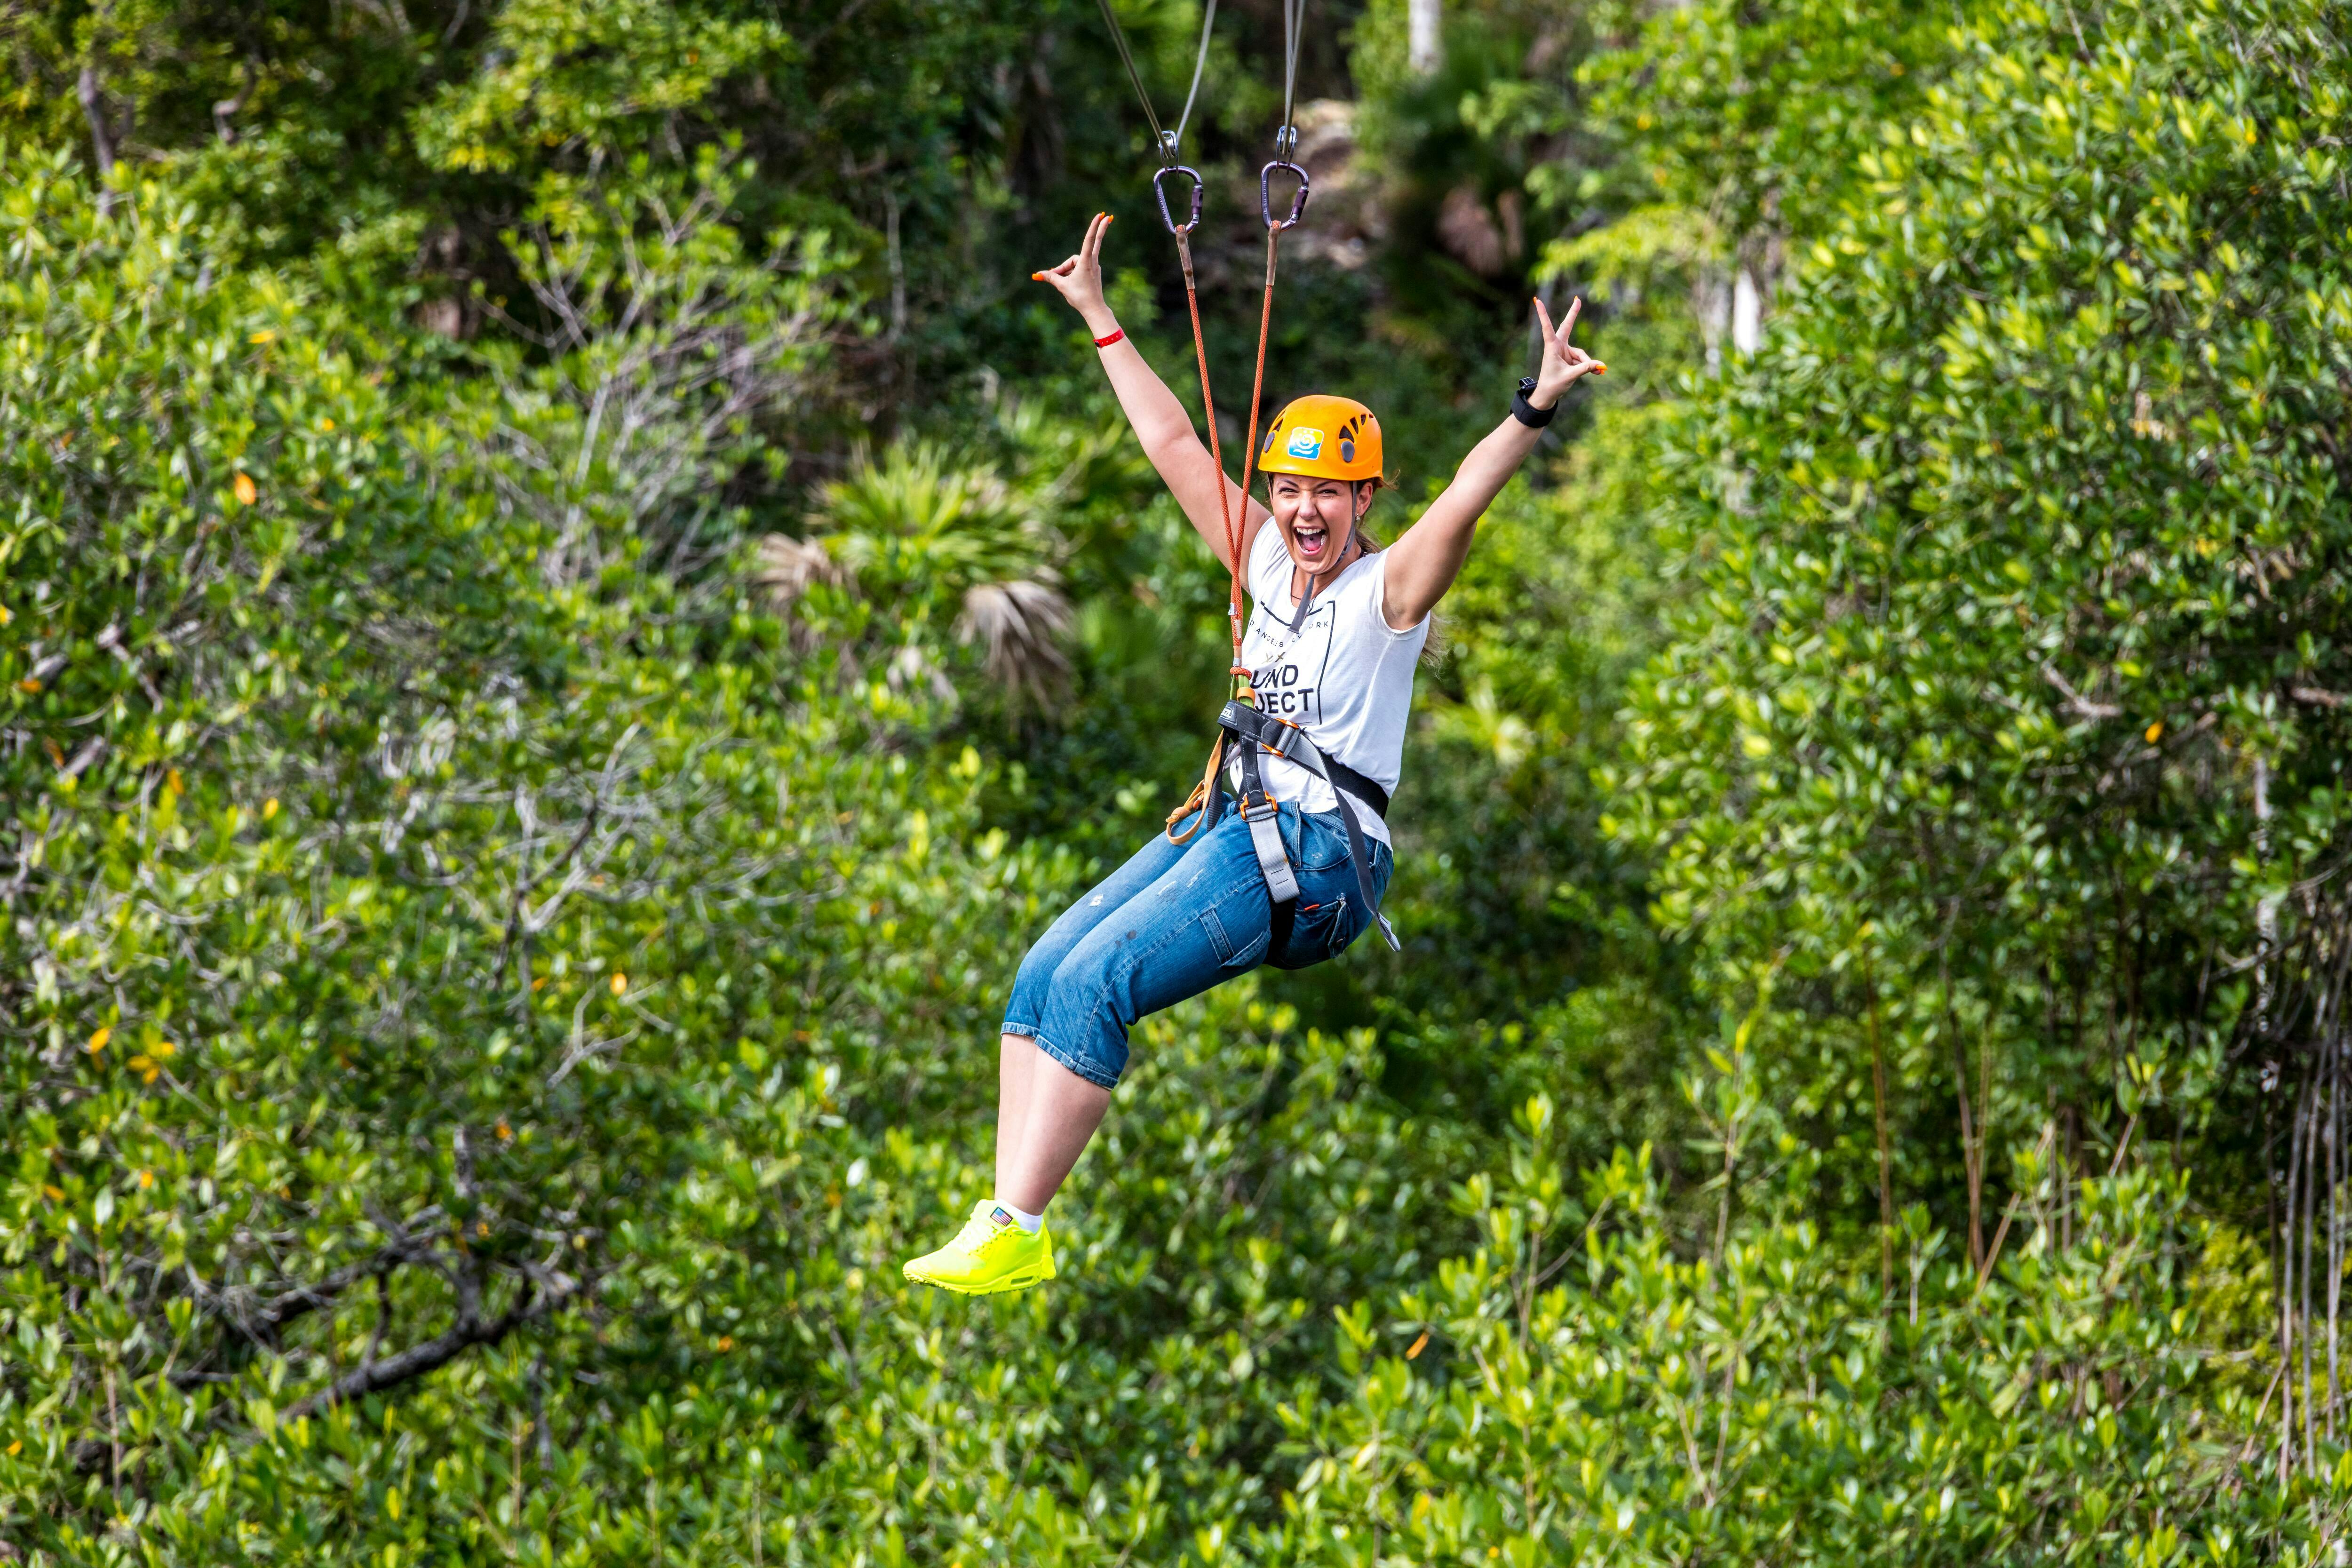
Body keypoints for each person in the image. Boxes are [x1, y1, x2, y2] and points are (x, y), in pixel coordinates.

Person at [903, 211, 1606, 1294]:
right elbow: (1175, 445)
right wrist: (1100, 318)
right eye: (1288, 488)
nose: (1302, 509)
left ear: (1364, 500)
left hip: (1321, 857)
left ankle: (1022, 1223)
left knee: (1100, 981)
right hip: (1241, 819)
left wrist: (1534, 404)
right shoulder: (1261, 564)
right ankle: (999, 1214)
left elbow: (1465, 497)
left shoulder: (1389, 595)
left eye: (1326, 492)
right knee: (1043, 971)